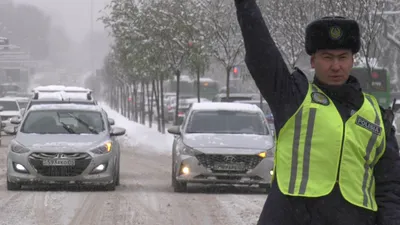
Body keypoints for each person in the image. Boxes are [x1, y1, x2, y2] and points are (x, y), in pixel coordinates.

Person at [234, 0, 400, 224]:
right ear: (313, 61)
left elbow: (390, 187)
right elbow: (260, 52)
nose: (335, 66)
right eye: (327, 57)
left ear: (353, 60)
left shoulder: (376, 116)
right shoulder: (292, 98)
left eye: (342, 57)